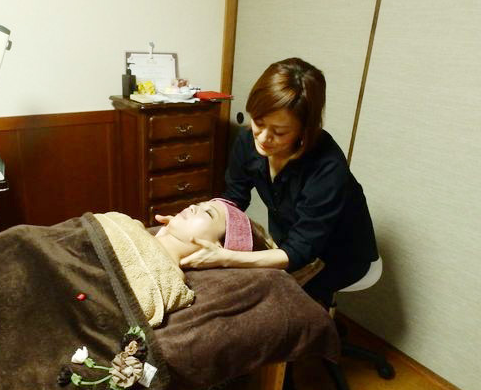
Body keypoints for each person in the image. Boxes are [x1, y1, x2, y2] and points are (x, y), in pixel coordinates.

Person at [159, 57, 378, 307]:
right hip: (290, 241)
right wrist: (191, 222)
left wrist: (225, 257)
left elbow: (299, 251)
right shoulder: (247, 143)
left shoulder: (327, 168)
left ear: (304, 130)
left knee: (279, 302)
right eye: (258, 122)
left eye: (279, 132)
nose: (263, 138)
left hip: (340, 254)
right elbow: (234, 199)